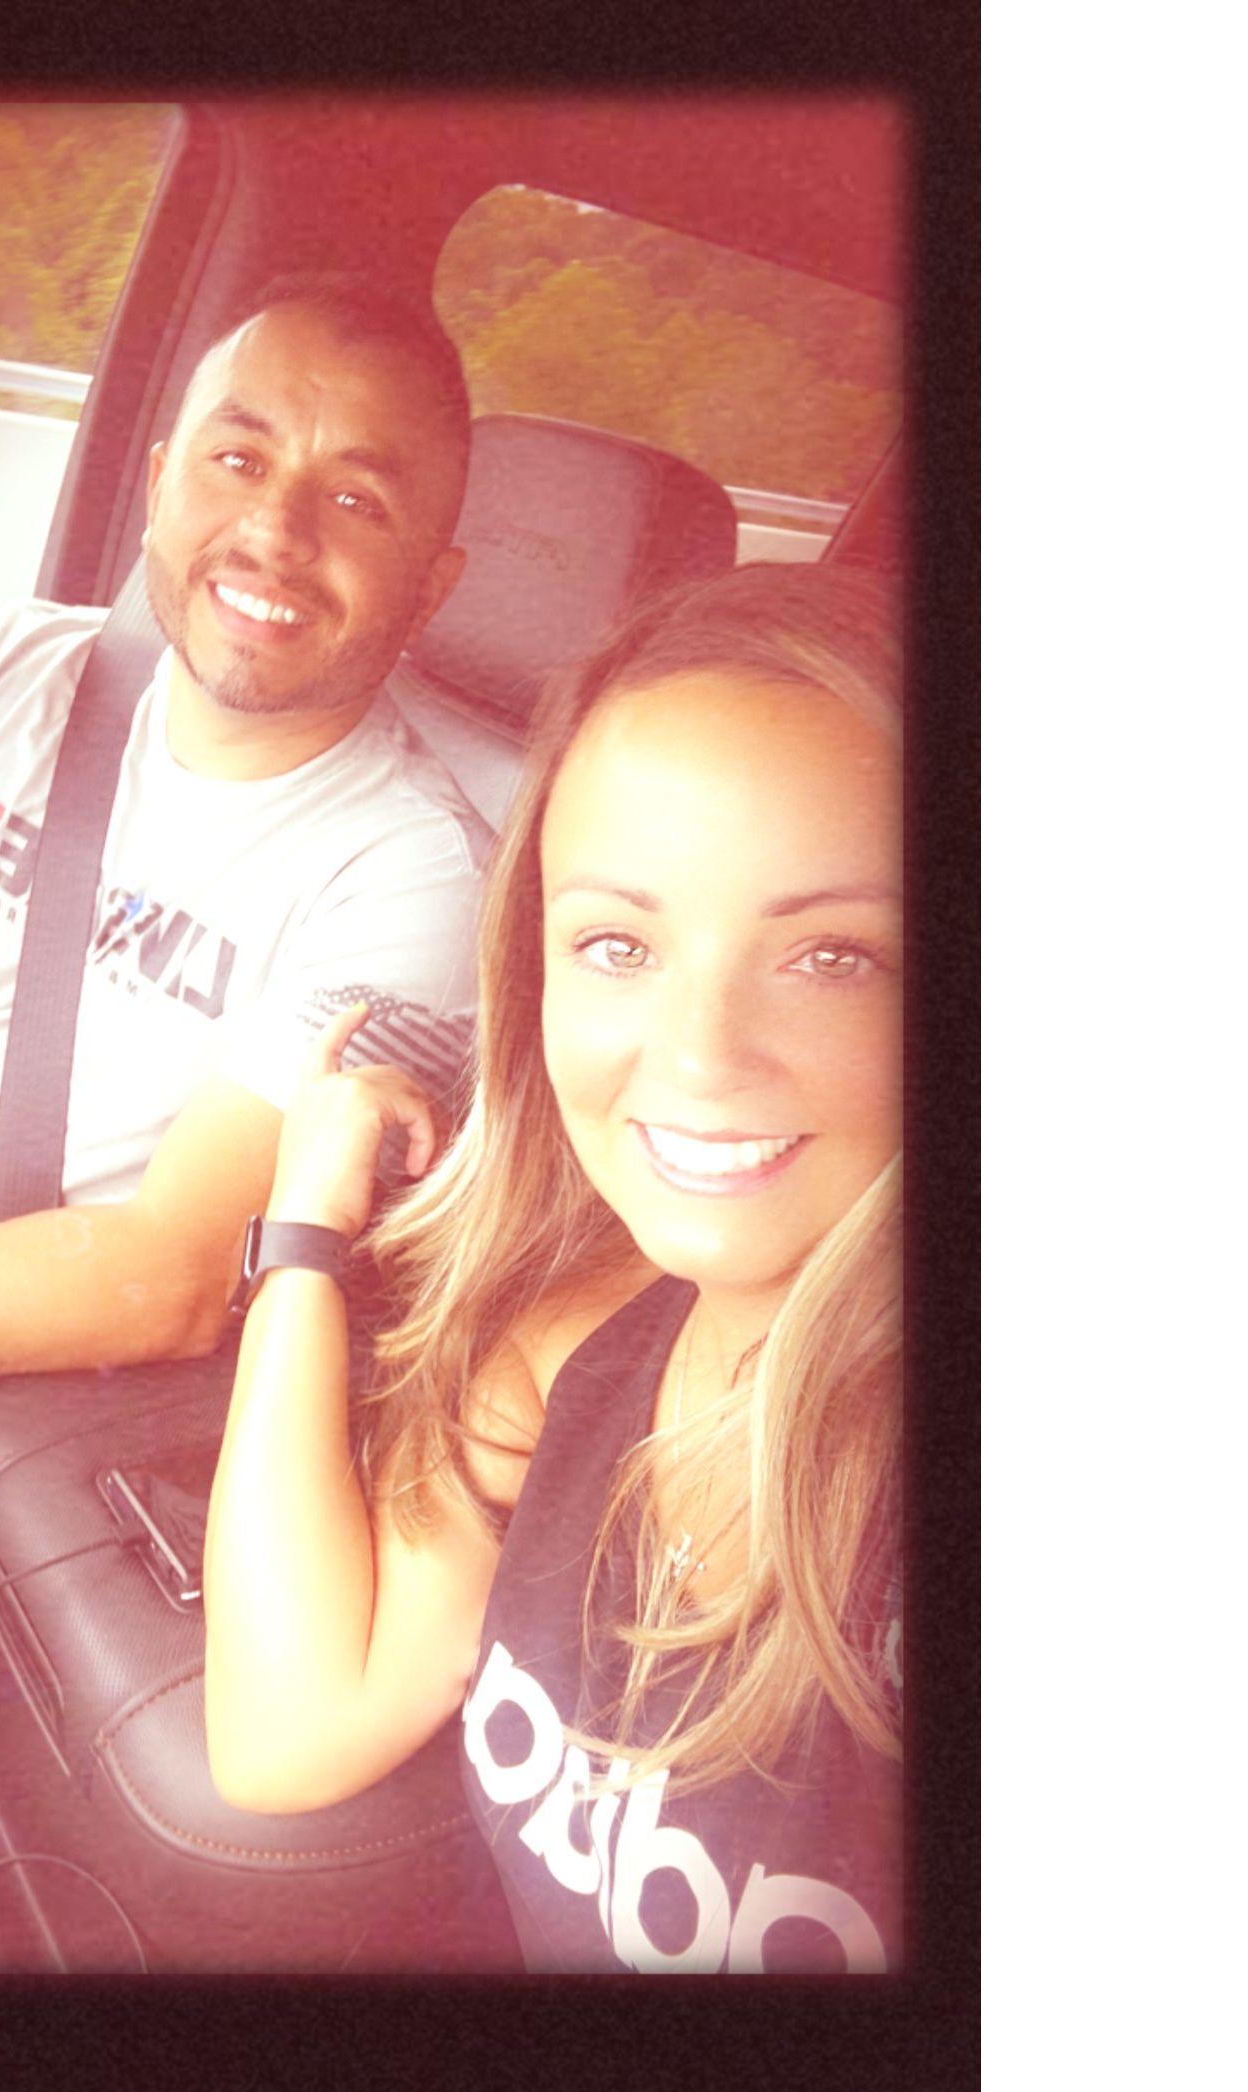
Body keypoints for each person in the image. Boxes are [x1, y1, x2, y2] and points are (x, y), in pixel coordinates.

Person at [201, 562, 903, 1973]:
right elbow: (291, 1729)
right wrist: (305, 1227)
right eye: (617, 945)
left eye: (835, 956)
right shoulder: (582, 1344)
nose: (698, 1057)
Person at [0, 276, 492, 1562]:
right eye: (239, 460)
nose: (276, 530)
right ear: (163, 477)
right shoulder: (18, 671)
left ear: (432, 583)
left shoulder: (419, 875)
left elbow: (164, 1279)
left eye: (358, 500)